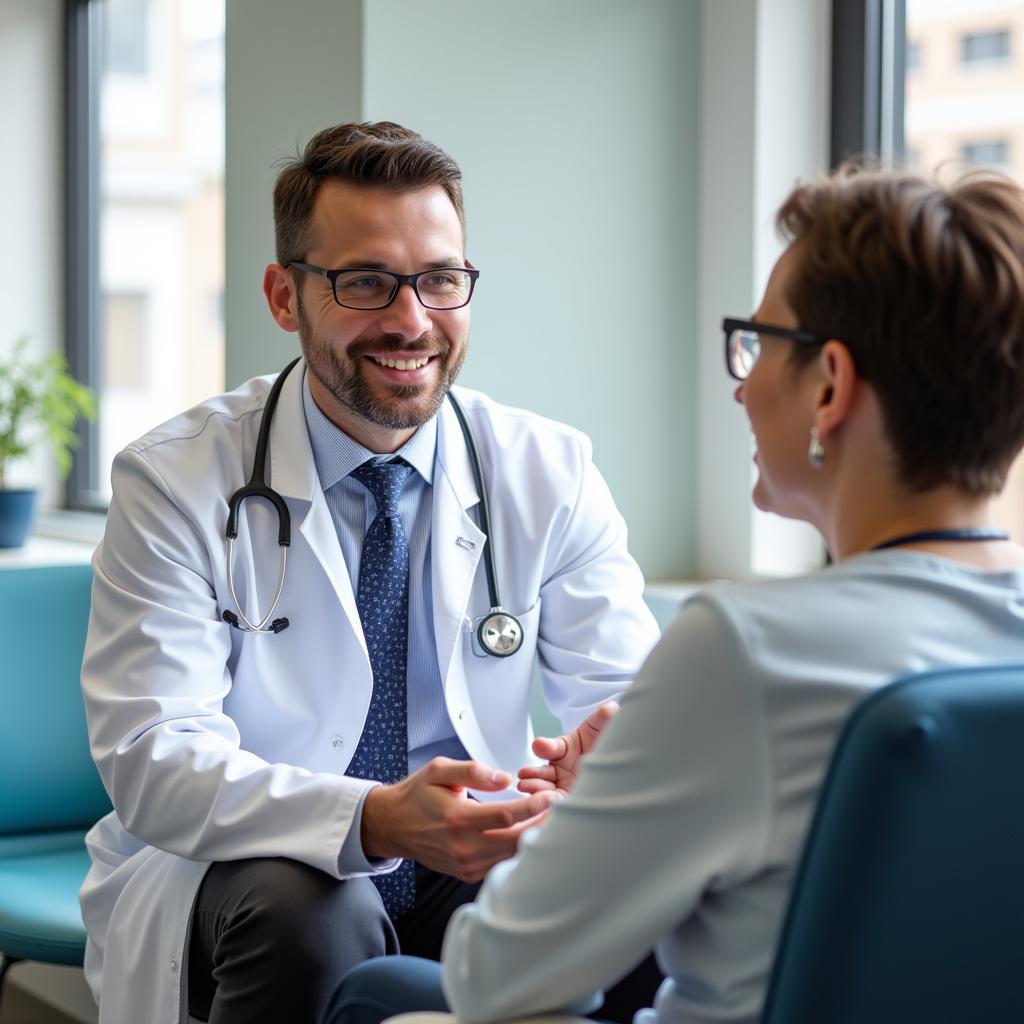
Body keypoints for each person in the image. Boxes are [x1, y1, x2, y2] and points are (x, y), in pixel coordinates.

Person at [328, 163, 1024, 1024]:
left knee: (373, 998)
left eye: (759, 342)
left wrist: (602, 813)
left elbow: (501, 978)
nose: (743, 383)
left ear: (831, 387)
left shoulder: (745, 649)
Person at [78, 121, 661, 1024]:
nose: (410, 318)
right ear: (284, 295)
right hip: (246, 864)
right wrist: (372, 819)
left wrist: (611, 758)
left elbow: (630, 698)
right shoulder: (175, 479)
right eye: (365, 282)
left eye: (439, 279)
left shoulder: (549, 469)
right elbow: (154, 758)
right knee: (315, 909)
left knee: (616, 893)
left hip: (469, 850)